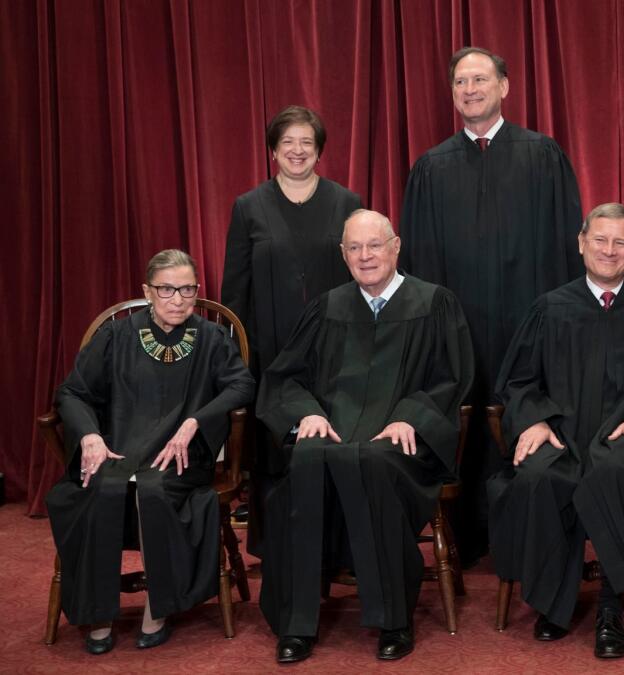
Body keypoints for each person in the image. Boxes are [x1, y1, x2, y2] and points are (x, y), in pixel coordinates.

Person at [256, 209, 473, 663]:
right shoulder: (328, 307)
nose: (365, 255)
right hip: (333, 432)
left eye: (375, 245)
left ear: (396, 247)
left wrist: (411, 416)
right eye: (354, 247)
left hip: (400, 443)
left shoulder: (434, 303)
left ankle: (393, 619)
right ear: (342, 254)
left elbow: (453, 379)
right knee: (306, 459)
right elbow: (285, 378)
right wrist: (307, 414)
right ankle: (298, 623)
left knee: (374, 462)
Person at [401, 46, 583, 564]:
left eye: (480, 79)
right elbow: (416, 263)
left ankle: (531, 534)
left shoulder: (542, 156)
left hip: (528, 322)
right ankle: (465, 538)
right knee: (463, 420)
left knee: (525, 414)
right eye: (461, 82)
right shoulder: (431, 168)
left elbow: (565, 249)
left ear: (505, 86)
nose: (470, 90)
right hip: (457, 326)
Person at [488, 203, 624, 659]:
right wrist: (535, 419)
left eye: (621, 242)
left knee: (612, 472)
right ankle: (552, 604)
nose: (609, 250)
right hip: (562, 436)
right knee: (539, 477)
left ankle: (610, 607)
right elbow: (518, 380)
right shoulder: (550, 308)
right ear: (581, 244)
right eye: (599, 239)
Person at [46, 249, 255, 654]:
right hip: (118, 447)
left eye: (188, 289)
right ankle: (98, 610)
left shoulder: (211, 338)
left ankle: (158, 608)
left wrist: (197, 420)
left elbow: (241, 385)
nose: (178, 299)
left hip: (179, 456)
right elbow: (72, 393)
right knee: (102, 486)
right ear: (147, 290)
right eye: (166, 289)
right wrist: (89, 435)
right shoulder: (116, 335)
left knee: (155, 488)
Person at [221, 105, 363, 544]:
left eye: (307, 142)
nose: (297, 151)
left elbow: (365, 275)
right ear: (273, 151)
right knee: (274, 447)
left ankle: (336, 541)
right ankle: (276, 542)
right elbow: (235, 290)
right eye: (288, 143)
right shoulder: (249, 207)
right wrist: (240, 358)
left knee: (333, 438)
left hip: (335, 348)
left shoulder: (346, 202)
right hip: (271, 348)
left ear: (319, 151)